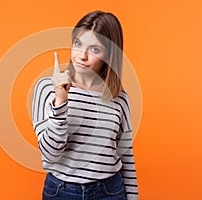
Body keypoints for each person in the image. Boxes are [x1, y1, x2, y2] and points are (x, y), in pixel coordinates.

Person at [32, 10, 138, 200]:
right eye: (78, 44)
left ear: (109, 55)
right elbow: (51, 154)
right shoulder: (47, 88)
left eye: (95, 50)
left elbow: (126, 157)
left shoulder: (119, 98)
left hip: (110, 191)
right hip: (61, 192)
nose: (82, 56)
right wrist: (61, 102)